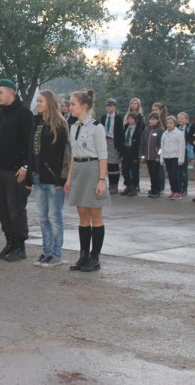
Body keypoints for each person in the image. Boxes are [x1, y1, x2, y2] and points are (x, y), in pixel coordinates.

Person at [0, 79, 33, 261]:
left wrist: (25, 166)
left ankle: (20, 246)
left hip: (16, 171)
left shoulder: (24, 114)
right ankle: (9, 242)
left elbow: (29, 143)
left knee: (16, 209)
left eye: (0, 92)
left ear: (12, 92)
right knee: (2, 208)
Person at [64, 89, 110, 272]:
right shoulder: (74, 126)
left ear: (83, 106)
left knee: (95, 215)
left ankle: (94, 257)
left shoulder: (97, 127)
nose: (70, 107)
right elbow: (73, 156)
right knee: (82, 215)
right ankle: (83, 256)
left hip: (92, 170)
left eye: (73, 104)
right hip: (78, 170)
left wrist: (101, 180)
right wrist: (69, 178)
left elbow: (103, 156)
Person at [25, 90, 70, 267]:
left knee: (54, 217)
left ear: (49, 102)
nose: (38, 104)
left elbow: (65, 154)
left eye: (41, 101)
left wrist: (61, 178)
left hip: (53, 178)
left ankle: (56, 254)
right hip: (37, 176)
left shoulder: (59, 123)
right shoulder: (36, 122)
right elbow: (31, 150)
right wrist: (29, 176)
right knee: (43, 217)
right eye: (37, 101)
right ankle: (46, 252)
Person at [100, 98, 124, 194]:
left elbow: (121, 133)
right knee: (109, 164)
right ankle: (110, 184)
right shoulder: (104, 118)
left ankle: (115, 184)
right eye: (107, 106)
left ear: (114, 107)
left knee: (114, 164)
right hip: (105, 141)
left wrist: (120, 147)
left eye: (111, 106)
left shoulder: (118, 118)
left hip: (114, 142)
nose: (109, 108)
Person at [160, 116, 186, 200]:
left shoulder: (179, 134)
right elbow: (162, 147)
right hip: (167, 157)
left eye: (171, 123)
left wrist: (181, 159)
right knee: (170, 175)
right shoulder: (164, 134)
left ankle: (177, 191)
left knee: (175, 175)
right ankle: (173, 191)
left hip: (175, 157)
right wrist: (161, 158)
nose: (169, 125)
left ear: (174, 124)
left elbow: (181, 147)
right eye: (167, 123)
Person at [140, 112, 164, 198]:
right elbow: (143, 143)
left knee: (156, 174)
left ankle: (157, 190)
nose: (151, 121)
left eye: (153, 119)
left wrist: (158, 155)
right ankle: (153, 188)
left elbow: (161, 144)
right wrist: (142, 155)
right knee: (151, 174)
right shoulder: (146, 130)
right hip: (148, 156)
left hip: (155, 157)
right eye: (150, 119)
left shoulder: (160, 130)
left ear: (157, 120)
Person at [120, 113, 143, 196]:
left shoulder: (138, 129)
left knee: (134, 170)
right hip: (126, 149)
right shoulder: (126, 127)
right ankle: (128, 185)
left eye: (131, 118)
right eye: (128, 118)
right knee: (125, 169)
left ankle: (134, 187)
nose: (129, 120)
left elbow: (139, 142)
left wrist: (139, 154)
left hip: (134, 151)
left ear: (135, 120)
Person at [176, 112, 192, 196]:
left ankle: (184, 188)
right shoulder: (175, 128)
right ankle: (178, 187)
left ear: (186, 120)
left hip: (185, 152)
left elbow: (190, 142)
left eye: (182, 118)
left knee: (183, 172)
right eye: (178, 118)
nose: (180, 120)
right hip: (176, 152)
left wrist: (190, 155)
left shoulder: (189, 129)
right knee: (177, 171)